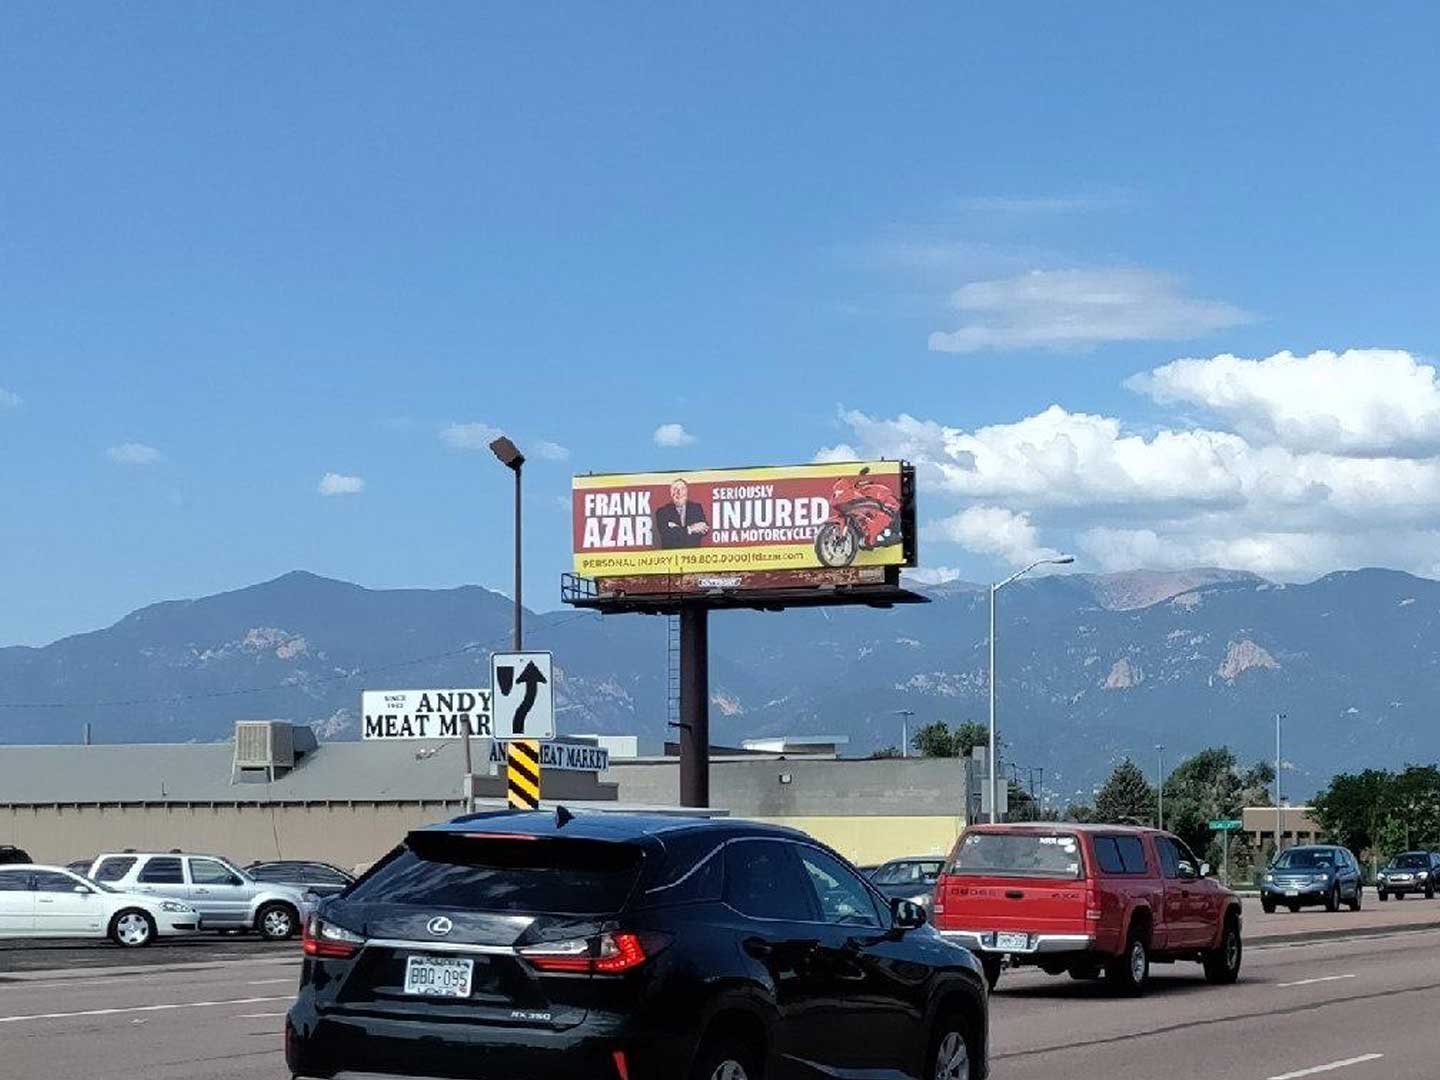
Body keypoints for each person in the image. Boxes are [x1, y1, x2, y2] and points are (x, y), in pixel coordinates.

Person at [654, 478, 708, 549]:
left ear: (687, 491)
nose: (679, 492)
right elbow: (667, 535)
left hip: (692, 553)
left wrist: (678, 531)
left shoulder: (696, 508)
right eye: (675, 489)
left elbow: (705, 529)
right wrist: (691, 529)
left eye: (682, 489)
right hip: (671, 554)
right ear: (671, 493)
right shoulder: (662, 512)